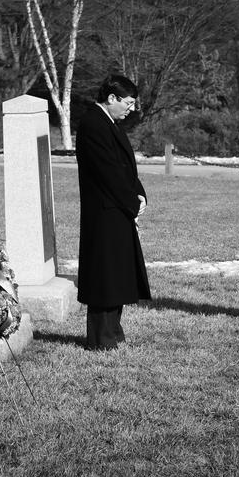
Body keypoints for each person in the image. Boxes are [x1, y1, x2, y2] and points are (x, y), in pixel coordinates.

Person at [76, 75, 151, 351]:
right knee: (105, 277)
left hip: (116, 209)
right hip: (105, 211)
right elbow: (108, 173)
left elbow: (125, 168)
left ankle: (113, 331)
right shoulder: (93, 124)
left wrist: (139, 193)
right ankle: (101, 338)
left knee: (116, 274)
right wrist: (131, 202)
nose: (131, 108)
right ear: (112, 98)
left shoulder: (109, 123)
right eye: (128, 103)